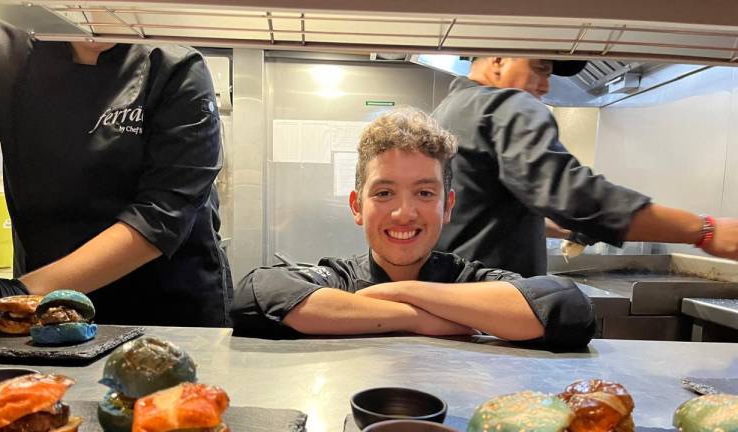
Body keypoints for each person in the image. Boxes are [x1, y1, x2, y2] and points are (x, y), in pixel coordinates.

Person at [231, 107, 595, 349]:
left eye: (424, 192)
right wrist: (419, 320)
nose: (404, 213)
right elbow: (257, 294)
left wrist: (403, 291)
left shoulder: (468, 280)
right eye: (385, 192)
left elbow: (567, 306)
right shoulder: (338, 279)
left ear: (447, 206)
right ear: (358, 207)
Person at [0, 15, 231, 327]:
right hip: (48, 301)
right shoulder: (1, 49)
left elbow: (161, 216)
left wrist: (21, 293)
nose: (93, 23)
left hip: (165, 306)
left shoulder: (175, 66)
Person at [432, 57, 738, 277]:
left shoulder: (447, 112)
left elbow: (478, 212)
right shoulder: (506, 105)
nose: (545, 85)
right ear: (498, 61)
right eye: (539, 68)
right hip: (491, 301)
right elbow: (570, 194)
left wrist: (568, 228)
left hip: (448, 294)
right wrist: (704, 230)